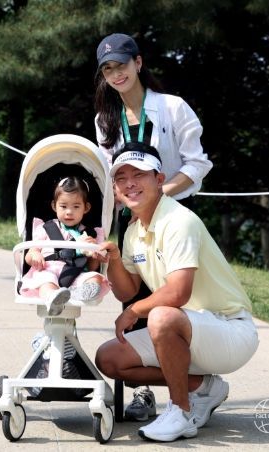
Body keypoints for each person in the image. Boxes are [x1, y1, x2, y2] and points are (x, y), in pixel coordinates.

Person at [96, 142, 258, 442]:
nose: (130, 183)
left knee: (160, 317)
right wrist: (114, 260)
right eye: (121, 177)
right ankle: (202, 387)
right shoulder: (132, 231)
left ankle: (180, 412)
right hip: (186, 329)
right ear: (115, 189)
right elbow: (127, 291)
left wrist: (133, 311)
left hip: (229, 330)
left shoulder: (179, 220)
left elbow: (178, 293)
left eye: (139, 174)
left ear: (159, 179)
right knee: (109, 359)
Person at [94, 32, 213, 421]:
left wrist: (160, 195)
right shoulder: (104, 119)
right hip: (130, 219)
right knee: (133, 298)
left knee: (173, 299)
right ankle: (145, 393)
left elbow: (197, 164)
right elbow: (110, 174)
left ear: (138, 63)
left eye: (122, 65)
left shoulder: (173, 107)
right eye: (108, 69)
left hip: (173, 213)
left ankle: (196, 387)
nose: (117, 74)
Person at [20, 176, 110, 315]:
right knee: (46, 282)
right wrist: (35, 255)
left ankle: (78, 293)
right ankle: (52, 298)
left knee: (95, 278)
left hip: (76, 273)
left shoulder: (90, 234)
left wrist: (94, 254)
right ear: (54, 206)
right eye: (63, 206)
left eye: (76, 207)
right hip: (48, 270)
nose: (69, 212)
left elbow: (92, 267)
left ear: (86, 208)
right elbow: (30, 254)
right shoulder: (45, 228)